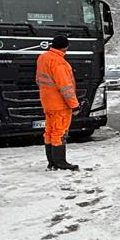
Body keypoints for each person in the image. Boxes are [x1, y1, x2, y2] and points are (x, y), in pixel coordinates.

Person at [37, 34, 81, 171]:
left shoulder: (42, 58)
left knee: (49, 131)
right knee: (59, 132)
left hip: (47, 102)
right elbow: (65, 87)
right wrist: (74, 105)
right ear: (65, 47)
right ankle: (60, 162)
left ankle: (52, 162)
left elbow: (39, 80)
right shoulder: (60, 63)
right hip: (60, 104)